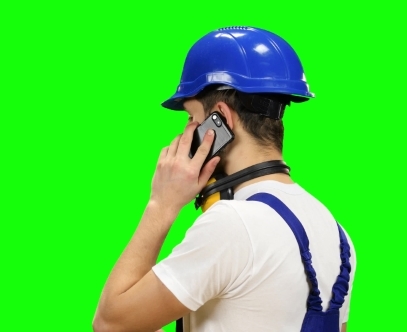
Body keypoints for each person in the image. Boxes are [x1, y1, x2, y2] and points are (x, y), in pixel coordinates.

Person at [93, 26, 356, 332]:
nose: (185, 134)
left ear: (221, 119)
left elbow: (111, 324)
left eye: (192, 119)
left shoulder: (231, 225)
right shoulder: (335, 232)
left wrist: (161, 203)